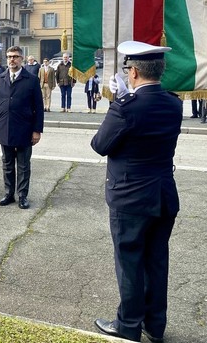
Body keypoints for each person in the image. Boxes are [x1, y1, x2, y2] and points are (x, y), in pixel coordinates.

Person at [91, 41, 182, 343]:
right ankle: (155, 325)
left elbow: (100, 145)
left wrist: (120, 103)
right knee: (156, 261)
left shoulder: (125, 108)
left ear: (132, 72)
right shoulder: (174, 103)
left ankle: (128, 324)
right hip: (163, 194)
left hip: (130, 197)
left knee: (129, 262)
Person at [0, 46, 44, 210]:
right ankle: (8, 194)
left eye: (15, 56)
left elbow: (38, 107)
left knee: (23, 165)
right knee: (7, 163)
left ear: (22, 59)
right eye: (9, 56)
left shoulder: (31, 79)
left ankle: (23, 196)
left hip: (25, 129)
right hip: (4, 128)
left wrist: (37, 130)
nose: (12, 59)